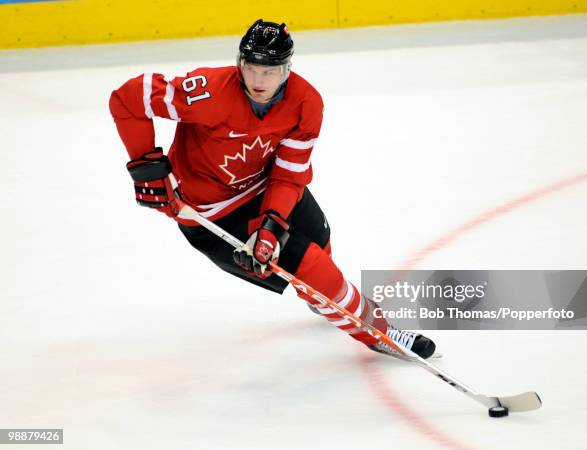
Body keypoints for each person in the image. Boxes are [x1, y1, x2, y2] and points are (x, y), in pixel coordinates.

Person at [109, 19, 436, 359]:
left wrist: (272, 224)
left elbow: (289, 174)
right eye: (251, 68)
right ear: (240, 64)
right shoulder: (207, 92)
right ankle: (379, 333)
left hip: (267, 187)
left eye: (270, 71)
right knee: (310, 265)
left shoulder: (306, 102)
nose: (258, 80)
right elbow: (129, 98)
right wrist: (145, 167)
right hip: (213, 214)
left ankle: (321, 297)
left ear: (287, 69)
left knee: (321, 245)